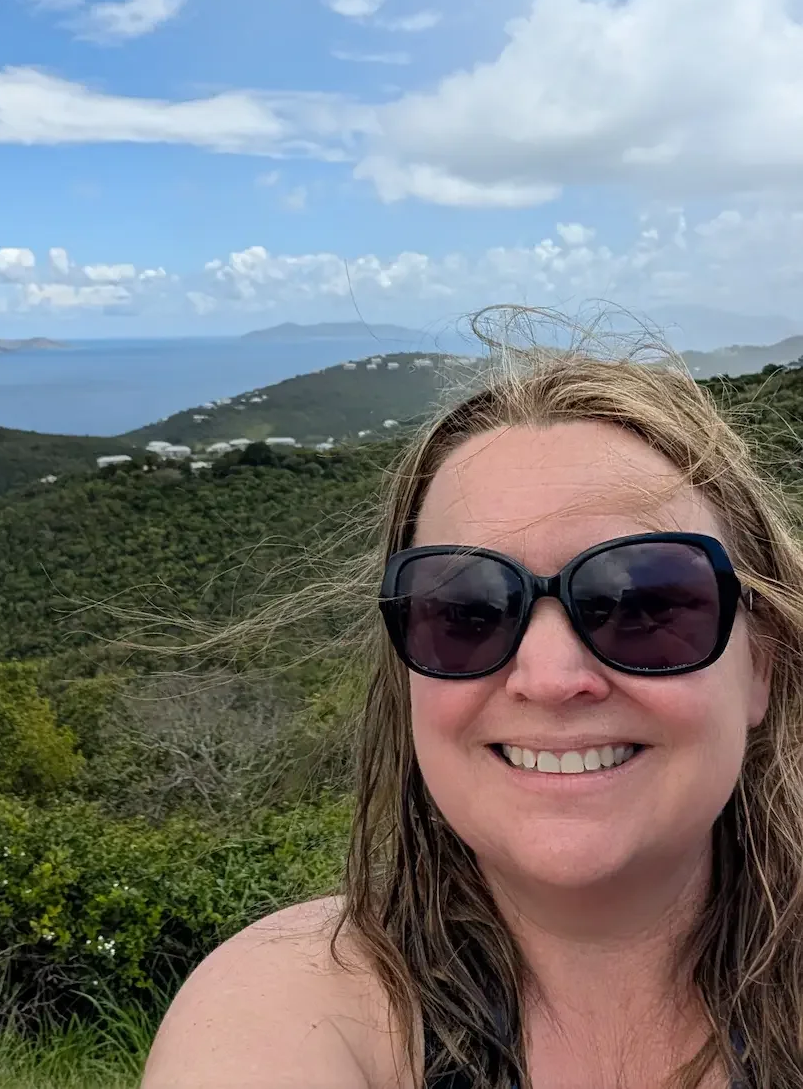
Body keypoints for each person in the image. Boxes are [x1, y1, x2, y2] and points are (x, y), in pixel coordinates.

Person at [141, 310, 803, 1089]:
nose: (552, 678)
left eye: (644, 605)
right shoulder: (289, 1010)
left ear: (761, 662)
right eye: (467, 612)